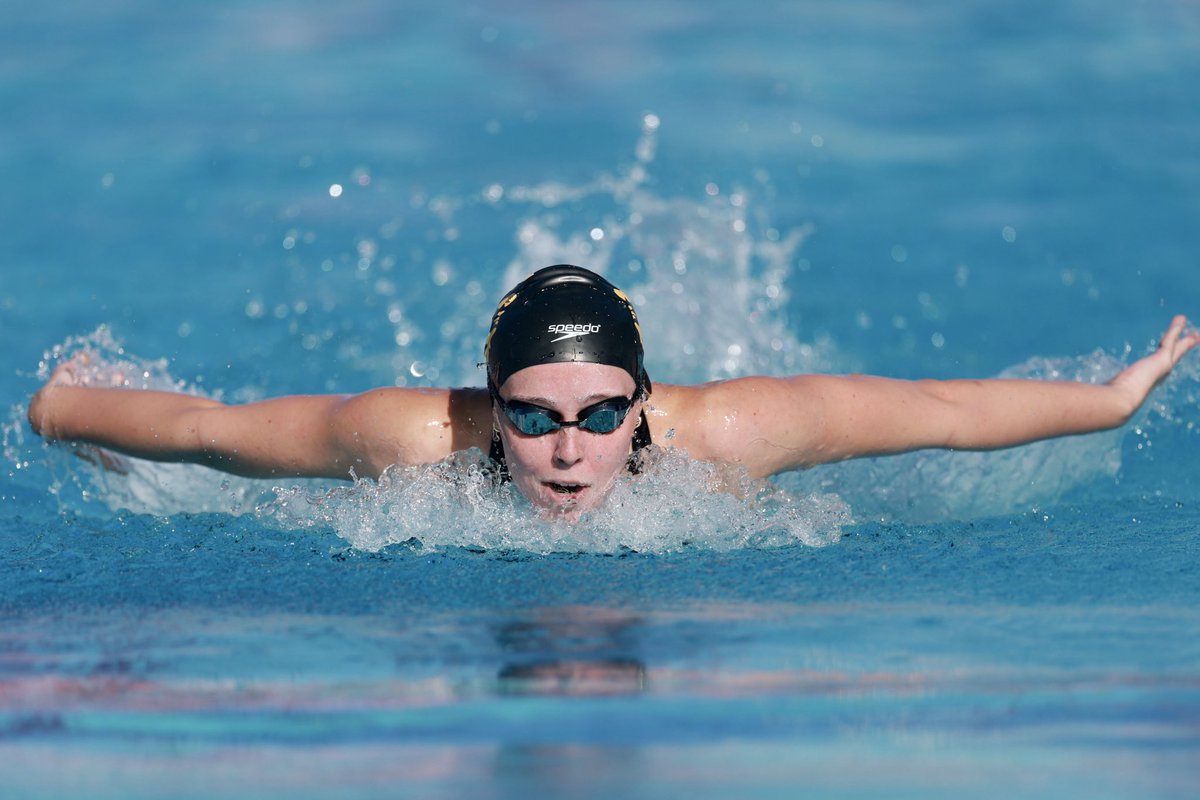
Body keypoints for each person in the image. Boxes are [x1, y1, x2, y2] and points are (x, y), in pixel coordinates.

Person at [27, 264, 1199, 518]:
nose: (569, 449)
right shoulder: (416, 437)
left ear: (643, 402)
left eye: (600, 414)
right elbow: (208, 432)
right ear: (495, 407)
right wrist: (58, 407)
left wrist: (1113, 398)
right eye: (532, 416)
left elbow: (941, 414)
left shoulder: (735, 432)